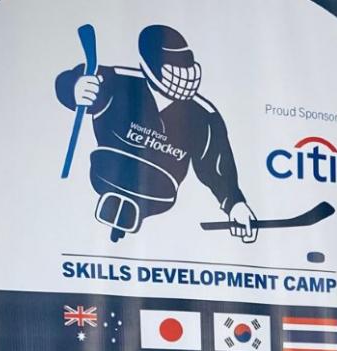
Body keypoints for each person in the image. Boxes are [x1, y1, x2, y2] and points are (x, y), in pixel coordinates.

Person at [55, 25, 257, 242]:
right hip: (106, 172)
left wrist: (235, 203)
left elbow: (215, 164)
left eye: (185, 65)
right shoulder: (116, 82)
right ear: (147, 65)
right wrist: (75, 88)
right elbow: (73, 78)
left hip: (160, 193)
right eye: (172, 66)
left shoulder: (203, 115)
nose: (182, 75)